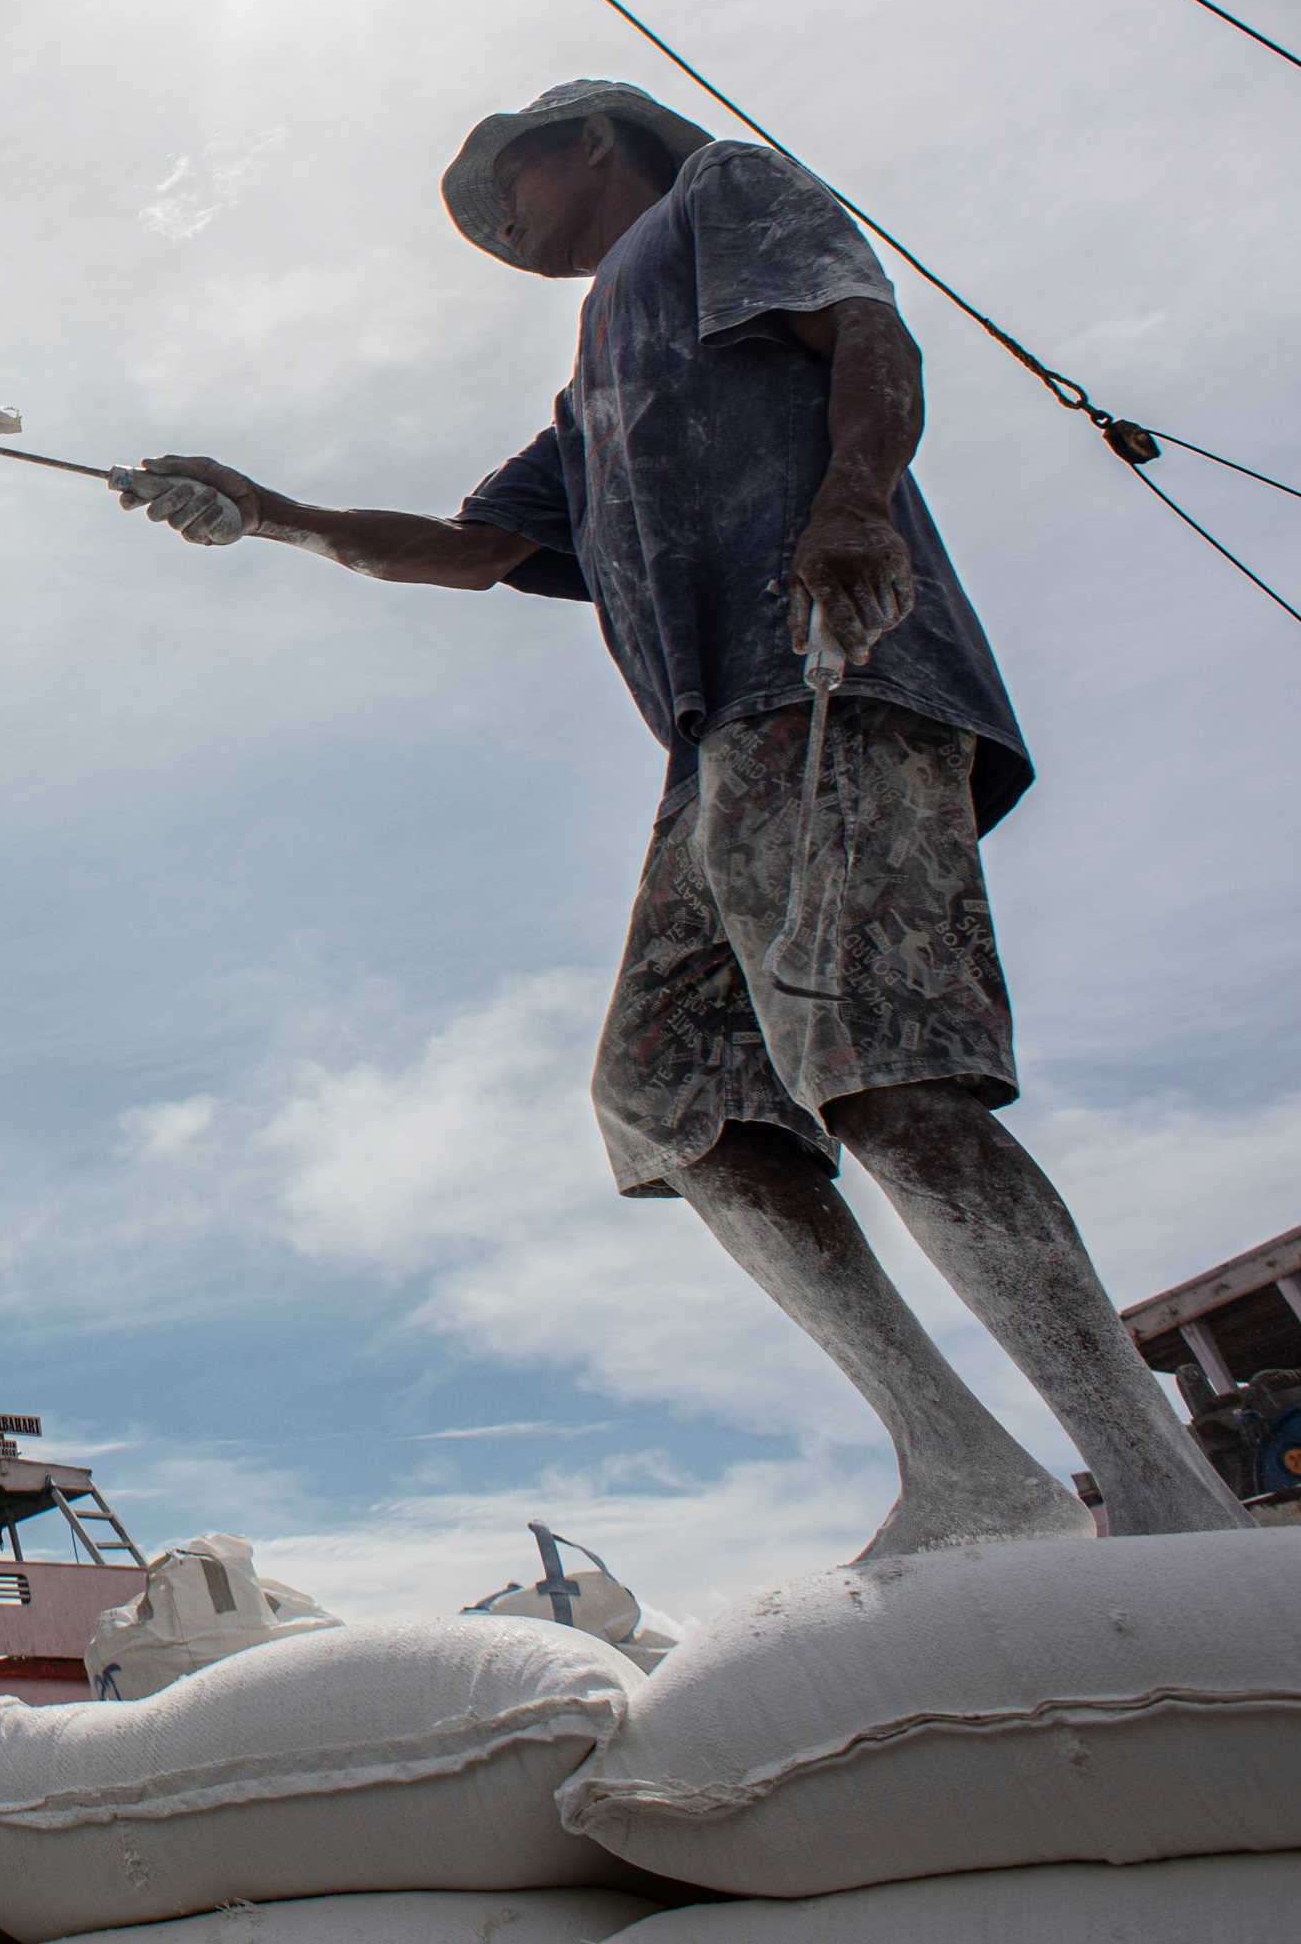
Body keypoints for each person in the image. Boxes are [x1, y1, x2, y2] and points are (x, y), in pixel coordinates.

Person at [119, 80, 1244, 1556]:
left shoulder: (720, 194)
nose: (494, 231)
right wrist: (266, 511)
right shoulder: (592, 383)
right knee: (676, 1098)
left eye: (497, 193)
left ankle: (1158, 1486)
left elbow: (868, 335)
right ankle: (964, 1466)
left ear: (590, 135)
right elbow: (469, 552)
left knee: (883, 1064)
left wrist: (856, 503)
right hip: (720, 744)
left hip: (828, 666)